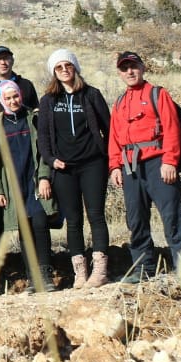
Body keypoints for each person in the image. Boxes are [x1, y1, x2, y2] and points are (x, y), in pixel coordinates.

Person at [107, 51, 181, 283]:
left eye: (133, 66)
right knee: (136, 220)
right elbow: (114, 138)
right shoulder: (119, 103)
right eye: (124, 68)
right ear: (119, 73)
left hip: (158, 163)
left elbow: (172, 129)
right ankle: (143, 268)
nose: (130, 72)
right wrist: (115, 166)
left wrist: (170, 161)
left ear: (143, 68)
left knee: (172, 216)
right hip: (131, 167)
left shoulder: (158, 94)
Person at [39, 50, 112, 289]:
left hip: (92, 164)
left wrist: (108, 157)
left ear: (75, 67)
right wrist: (51, 160)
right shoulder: (49, 100)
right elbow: (43, 137)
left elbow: (109, 128)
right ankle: (80, 272)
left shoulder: (91, 95)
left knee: (96, 215)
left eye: (67, 65)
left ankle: (100, 270)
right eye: (58, 67)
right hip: (64, 169)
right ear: (53, 72)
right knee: (73, 220)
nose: (64, 70)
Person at [0, 80, 56, 292]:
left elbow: (44, 150)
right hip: (14, 186)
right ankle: (32, 277)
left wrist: (45, 177)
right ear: (2, 100)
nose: (13, 101)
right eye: (8, 98)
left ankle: (46, 274)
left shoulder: (34, 118)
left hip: (34, 180)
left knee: (40, 223)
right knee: (24, 230)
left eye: (15, 96)